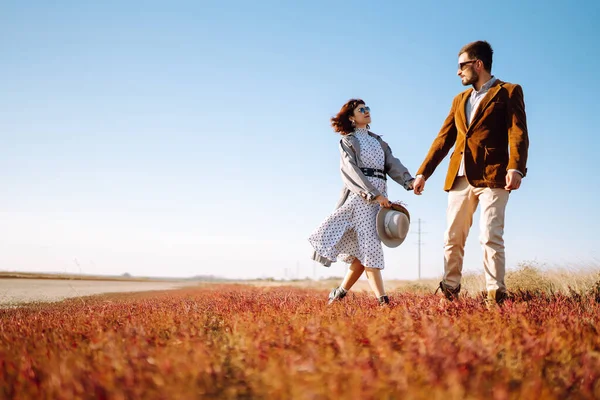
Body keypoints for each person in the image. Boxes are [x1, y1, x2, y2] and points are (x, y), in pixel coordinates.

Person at [412, 41, 529, 305]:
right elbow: (443, 140)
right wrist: (423, 174)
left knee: (490, 235)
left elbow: (517, 132)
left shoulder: (508, 91)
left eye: (461, 66)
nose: (458, 72)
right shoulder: (459, 100)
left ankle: (495, 294)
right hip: (459, 179)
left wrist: (516, 167)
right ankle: (450, 291)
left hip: (494, 176)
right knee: (452, 237)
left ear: (478, 64)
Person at [309, 99, 415, 305]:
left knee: (361, 258)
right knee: (371, 248)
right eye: (361, 110)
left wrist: (408, 181)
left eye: (368, 109)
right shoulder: (348, 141)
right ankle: (383, 303)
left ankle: (338, 294)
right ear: (351, 117)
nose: (366, 112)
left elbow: (392, 164)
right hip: (362, 198)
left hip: (379, 197)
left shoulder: (378, 141)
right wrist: (373, 194)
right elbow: (351, 172)